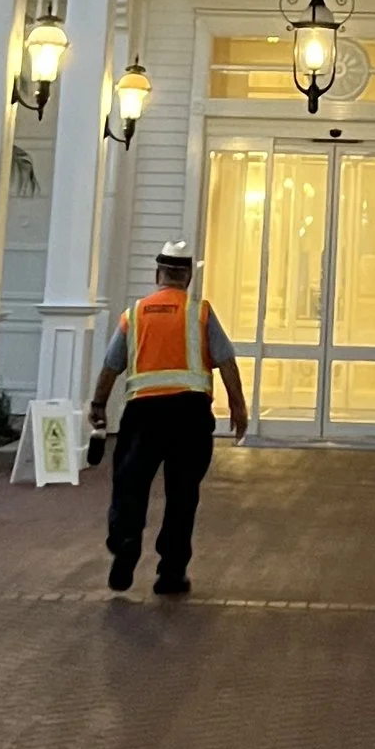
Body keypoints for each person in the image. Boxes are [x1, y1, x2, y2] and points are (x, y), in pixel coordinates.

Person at [89, 243, 247, 597]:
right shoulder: (200, 313)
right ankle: (171, 573)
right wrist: (238, 407)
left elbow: (111, 365)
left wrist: (98, 404)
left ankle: (126, 544)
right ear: (188, 277)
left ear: (157, 275)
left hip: (143, 415)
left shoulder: (135, 314)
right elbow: (226, 361)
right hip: (190, 417)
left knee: (129, 486)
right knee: (182, 494)